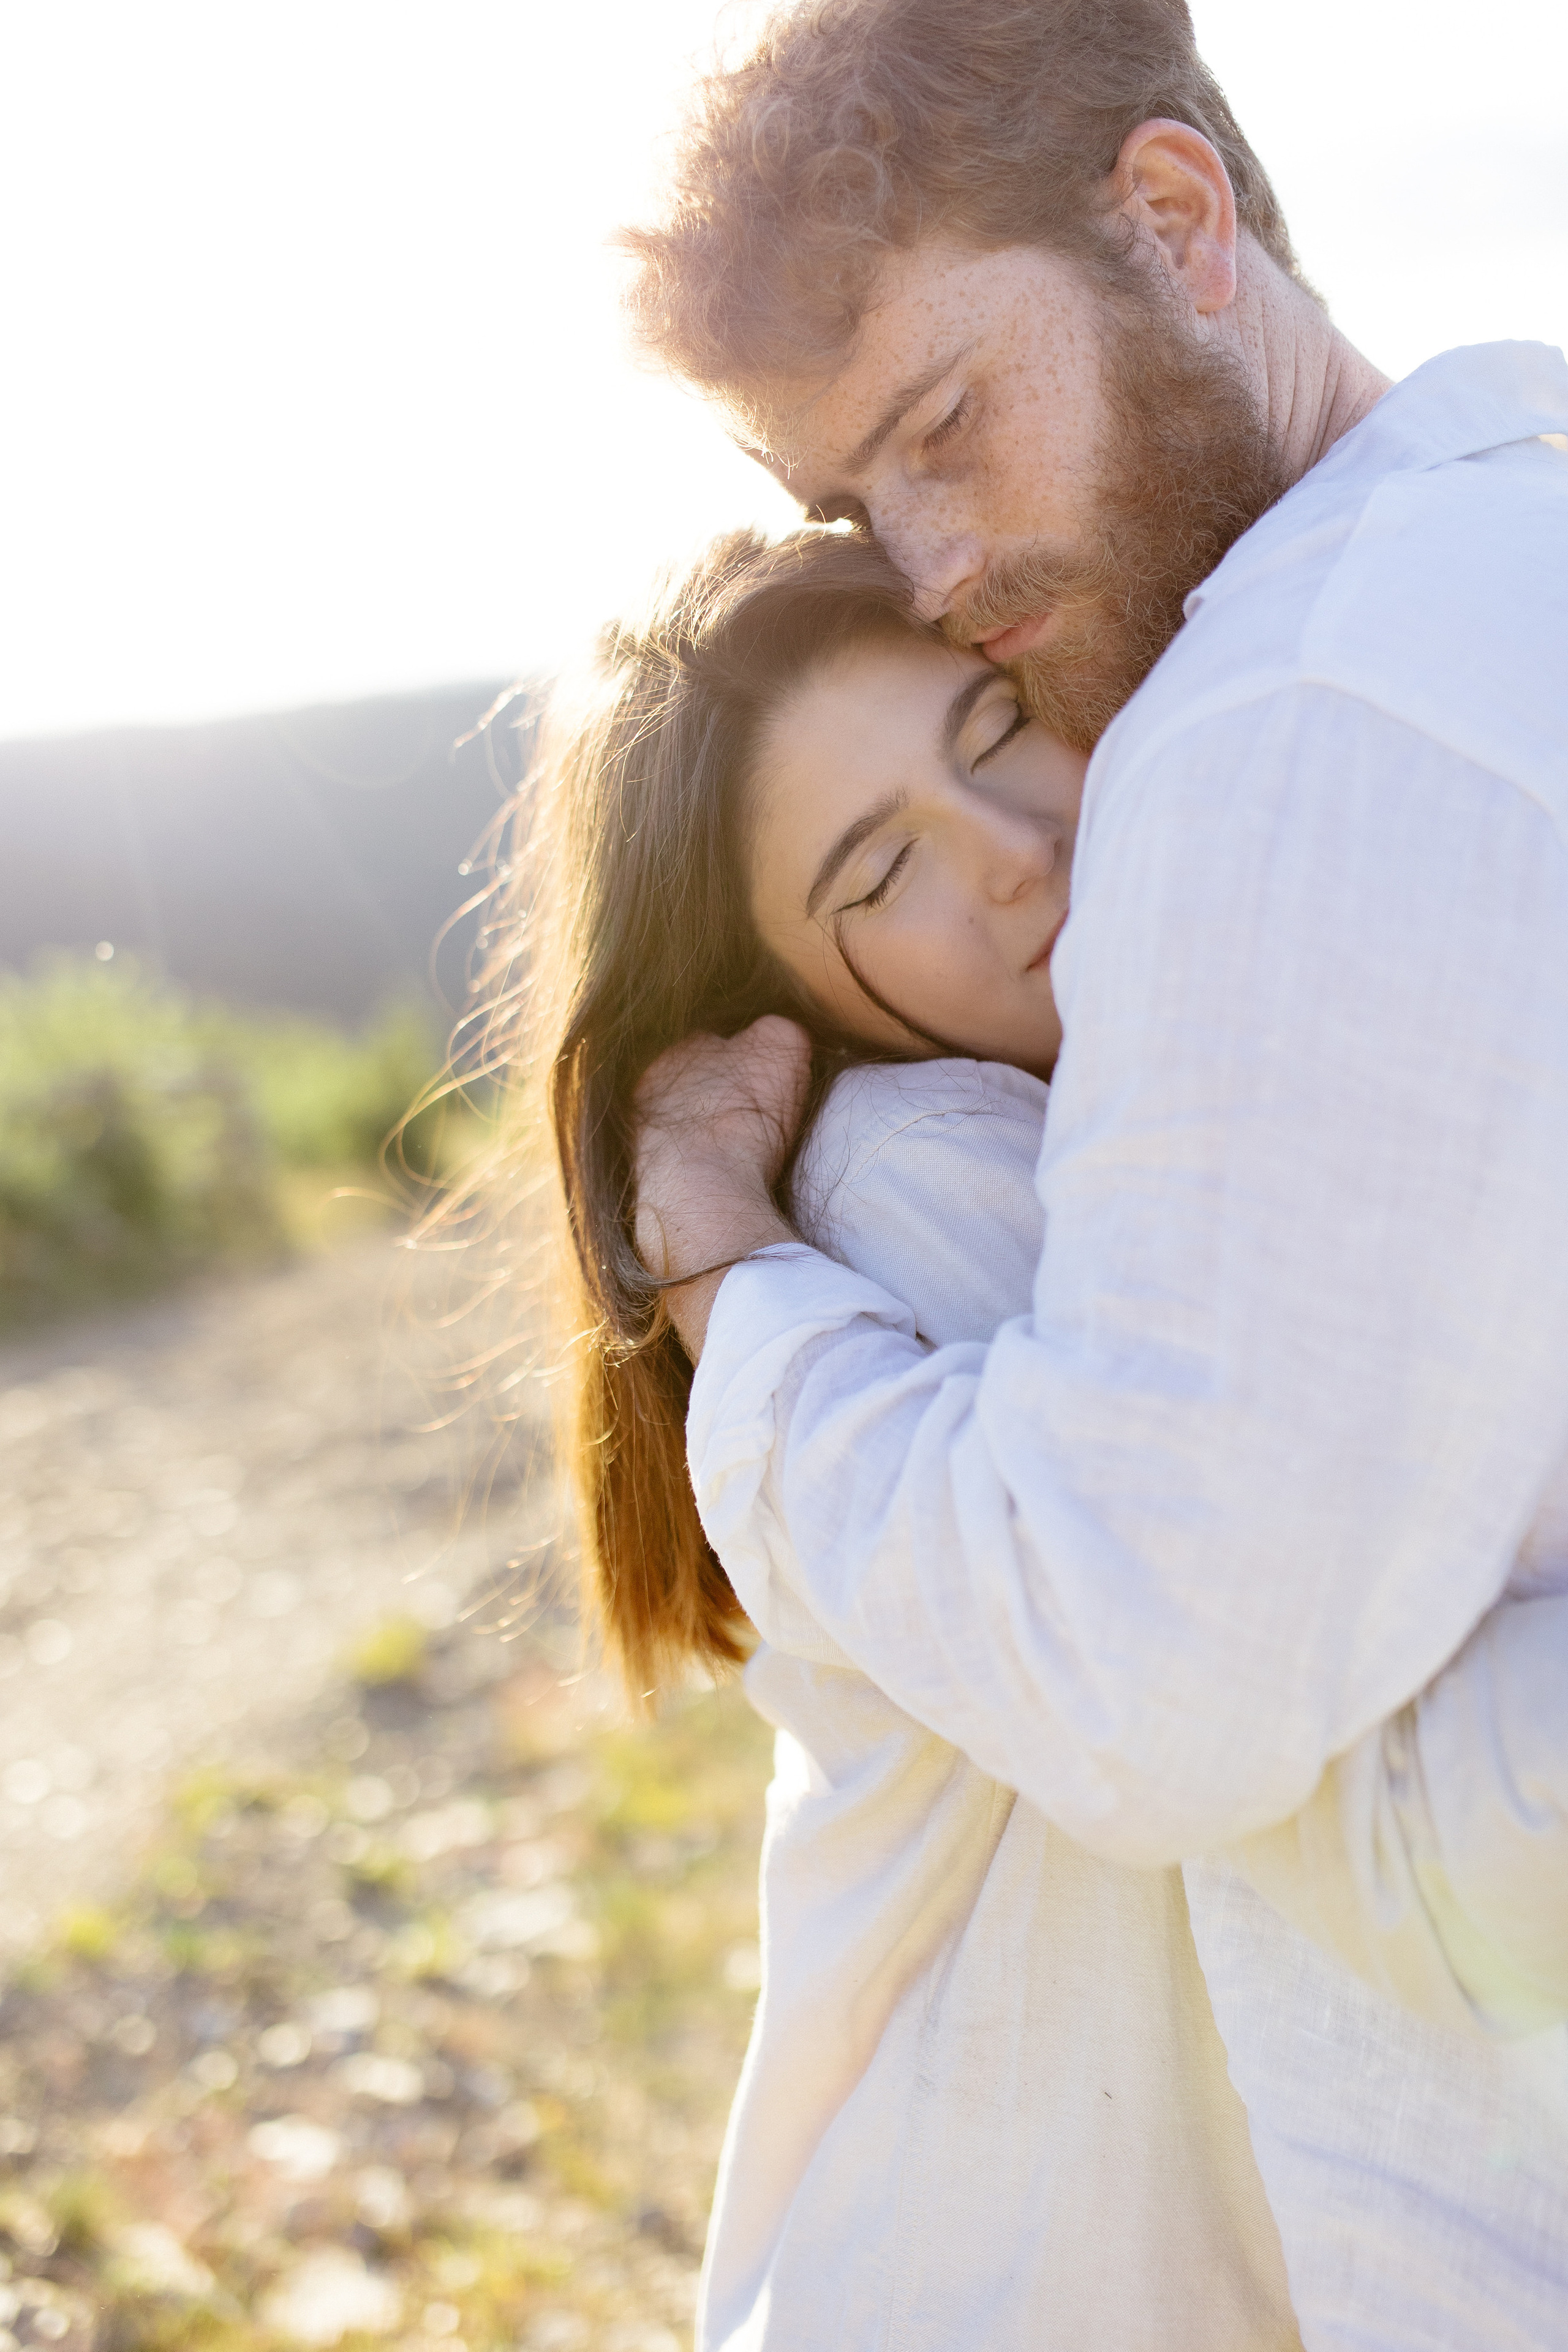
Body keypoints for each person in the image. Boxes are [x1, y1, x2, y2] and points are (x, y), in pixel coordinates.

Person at [609, 0, 1568, 2342]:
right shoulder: (1510, 504)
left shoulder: (1274, 722)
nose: (935, 565)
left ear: (1176, 219)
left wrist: (735, 1291)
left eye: (950, 423)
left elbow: (1144, 1676)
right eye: (863, 498)